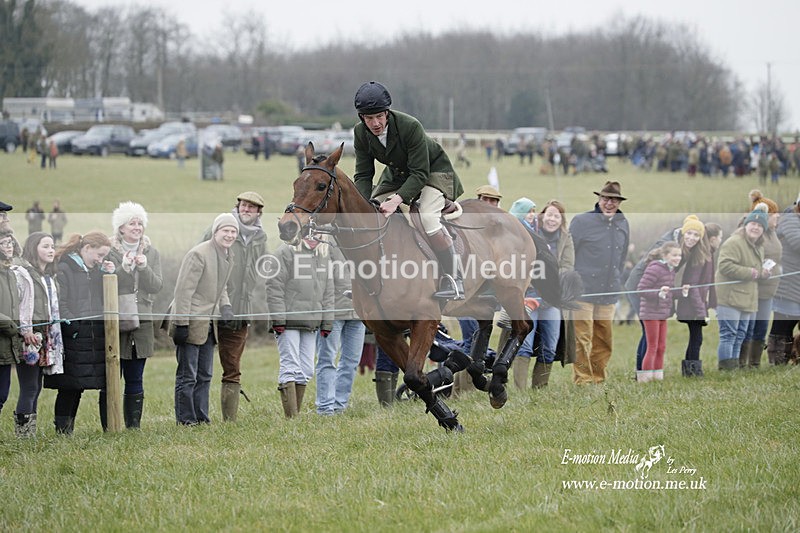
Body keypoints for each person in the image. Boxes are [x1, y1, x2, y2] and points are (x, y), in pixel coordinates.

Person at [352, 80, 465, 300]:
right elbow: (363, 175)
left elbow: (420, 174)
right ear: (361, 118)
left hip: (433, 172)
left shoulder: (410, 125)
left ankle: (454, 278)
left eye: (378, 116)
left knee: (427, 218)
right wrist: (361, 207)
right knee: (370, 216)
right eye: (368, 118)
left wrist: (396, 200)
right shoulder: (360, 133)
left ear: (387, 113)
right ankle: (371, 280)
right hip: (397, 176)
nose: (375, 123)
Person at [200, 191, 268, 422]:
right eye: (243, 205)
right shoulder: (220, 228)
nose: (246, 210)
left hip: (241, 308)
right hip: (211, 305)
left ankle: (229, 419)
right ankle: (195, 417)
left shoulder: (260, 237)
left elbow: (262, 267)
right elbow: (199, 259)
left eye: (252, 207)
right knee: (201, 366)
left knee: (232, 365)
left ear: (259, 212)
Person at [43, 231, 115, 435]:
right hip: (74, 337)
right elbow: (61, 303)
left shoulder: (94, 270)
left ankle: (106, 428)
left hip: (93, 337)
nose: (101, 259)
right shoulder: (65, 268)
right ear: (87, 248)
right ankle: (63, 432)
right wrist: (74, 329)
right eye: (99, 255)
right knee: (70, 387)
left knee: (84, 385)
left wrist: (106, 273)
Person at [169, 213, 236, 426]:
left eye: (233, 231)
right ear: (216, 232)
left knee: (205, 374)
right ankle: (186, 420)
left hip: (210, 322)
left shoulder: (227, 255)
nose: (229, 235)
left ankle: (201, 418)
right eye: (225, 230)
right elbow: (183, 292)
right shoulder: (198, 254)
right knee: (188, 375)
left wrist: (225, 307)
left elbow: (221, 285)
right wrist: (181, 323)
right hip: (190, 320)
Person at [107, 202, 163, 429]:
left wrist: (143, 267)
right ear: (121, 228)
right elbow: (106, 285)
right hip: (115, 320)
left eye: (140, 223)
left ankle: (133, 426)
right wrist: (124, 268)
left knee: (135, 376)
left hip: (142, 321)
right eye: (132, 223)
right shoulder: (109, 250)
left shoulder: (152, 252)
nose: (137, 227)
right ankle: (110, 424)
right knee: (111, 376)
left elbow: (157, 286)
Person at [569, 181, 630, 384]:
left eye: (613, 199)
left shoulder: (623, 223)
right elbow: (570, 255)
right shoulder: (581, 221)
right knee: (582, 338)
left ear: (619, 202)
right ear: (599, 199)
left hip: (609, 291)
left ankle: (598, 377)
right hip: (583, 291)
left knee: (604, 339)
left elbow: (621, 258)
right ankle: (583, 379)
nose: (609, 203)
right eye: (605, 198)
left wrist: (617, 279)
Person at [267, 237, 334, 418]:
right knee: (290, 366)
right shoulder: (285, 252)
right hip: (288, 322)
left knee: (306, 370)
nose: (313, 238)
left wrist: (327, 321)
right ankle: (292, 417)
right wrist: (278, 320)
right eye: (309, 233)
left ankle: (295, 411)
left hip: (311, 323)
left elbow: (328, 291)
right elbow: (274, 287)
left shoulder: (323, 256)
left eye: (317, 234)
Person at [512, 199, 575, 389]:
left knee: (550, 345)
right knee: (525, 344)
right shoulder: (529, 233)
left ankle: (540, 388)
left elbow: (567, 266)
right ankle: (519, 389)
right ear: (542, 215)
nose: (552, 219)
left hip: (552, 300)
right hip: (529, 296)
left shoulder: (566, 238)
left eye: (557, 216)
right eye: (549, 214)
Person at [13, 232, 64, 437]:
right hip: (28, 338)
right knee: (29, 385)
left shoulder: (50, 277)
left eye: (52, 246)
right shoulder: (23, 274)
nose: (51, 250)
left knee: (37, 386)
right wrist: (26, 330)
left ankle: (29, 432)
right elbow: (19, 305)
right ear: (34, 248)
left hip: (45, 337)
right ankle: (23, 434)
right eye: (45, 246)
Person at [715, 205, 769, 370]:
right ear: (745, 225)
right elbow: (724, 266)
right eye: (753, 224)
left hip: (748, 298)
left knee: (740, 336)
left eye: (760, 226)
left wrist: (762, 273)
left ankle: (734, 368)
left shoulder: (758, 246)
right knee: (728, 335)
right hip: (729, 297)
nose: (755, 227)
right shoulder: (734, 242)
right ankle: (725, 370)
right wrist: (751, 272)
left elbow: (755, 271)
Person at [314, 245, 366, 415]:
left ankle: (339, 405)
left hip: (358, 313)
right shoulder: (327, 244)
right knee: (327, 359)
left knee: (351, 361)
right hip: (333, 312)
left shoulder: (361, 242)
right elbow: (322, 281)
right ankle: (325, 407)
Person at [741, 194, 782, 368]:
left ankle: (755, 363)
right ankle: (742, 363)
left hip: (768, 290)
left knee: (761, 327)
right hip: (754, 289)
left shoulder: (772, 232)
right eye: (774, 214)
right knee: (749, 329)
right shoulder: (754, 234)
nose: (778, 216)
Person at [636, 241, 687, 382]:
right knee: (652, 346)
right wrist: (658, 293)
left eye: (679, 255)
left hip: (662, 314)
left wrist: (681, 292)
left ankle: (657, 377)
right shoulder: (655, 268)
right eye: (674, 255)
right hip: (650, 313)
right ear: (665, 255)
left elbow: (668, 292)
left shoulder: (670, 270)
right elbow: (641, 289)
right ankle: (645, 379)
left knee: (661, 346)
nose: (678, 258)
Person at [675, 216, 717, 377]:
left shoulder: (698, 253)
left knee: (695, 338)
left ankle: (691, 370)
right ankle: (692, 371)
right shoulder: (695, 258)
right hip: (692, 304)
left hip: (696, 302)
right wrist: (701, 312)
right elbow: (692, 286)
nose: (692, 238)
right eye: (689, 233)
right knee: (696, 338)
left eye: (696, 235)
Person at [767, 192, 800, 365]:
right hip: (787, 285)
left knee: (792, 322)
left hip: (797, 284)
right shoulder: (790, 219)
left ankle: (792, 358)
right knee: (782, 325)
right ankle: (777, 361)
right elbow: (797, 242)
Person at [0, 229, 22, 423]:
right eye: (3, 243)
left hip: (6, 343)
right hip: (5, 332)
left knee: (2, 394)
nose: (9, 246)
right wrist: (11, 325)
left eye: (10, 242)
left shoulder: (10, 273)